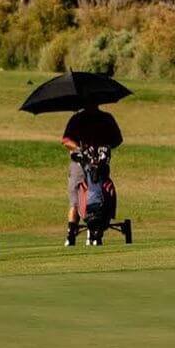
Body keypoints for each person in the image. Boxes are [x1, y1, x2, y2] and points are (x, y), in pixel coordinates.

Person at [60, 101, 123, 247]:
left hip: (100, 163)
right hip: (79, 164)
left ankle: (95, 230)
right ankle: (71, 233)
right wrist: (80, 149)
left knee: (100, 195)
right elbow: (66, 140)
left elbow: (117, 140)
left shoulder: (106, 118)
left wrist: (102, 146)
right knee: (76, 200)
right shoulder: (77, 119)